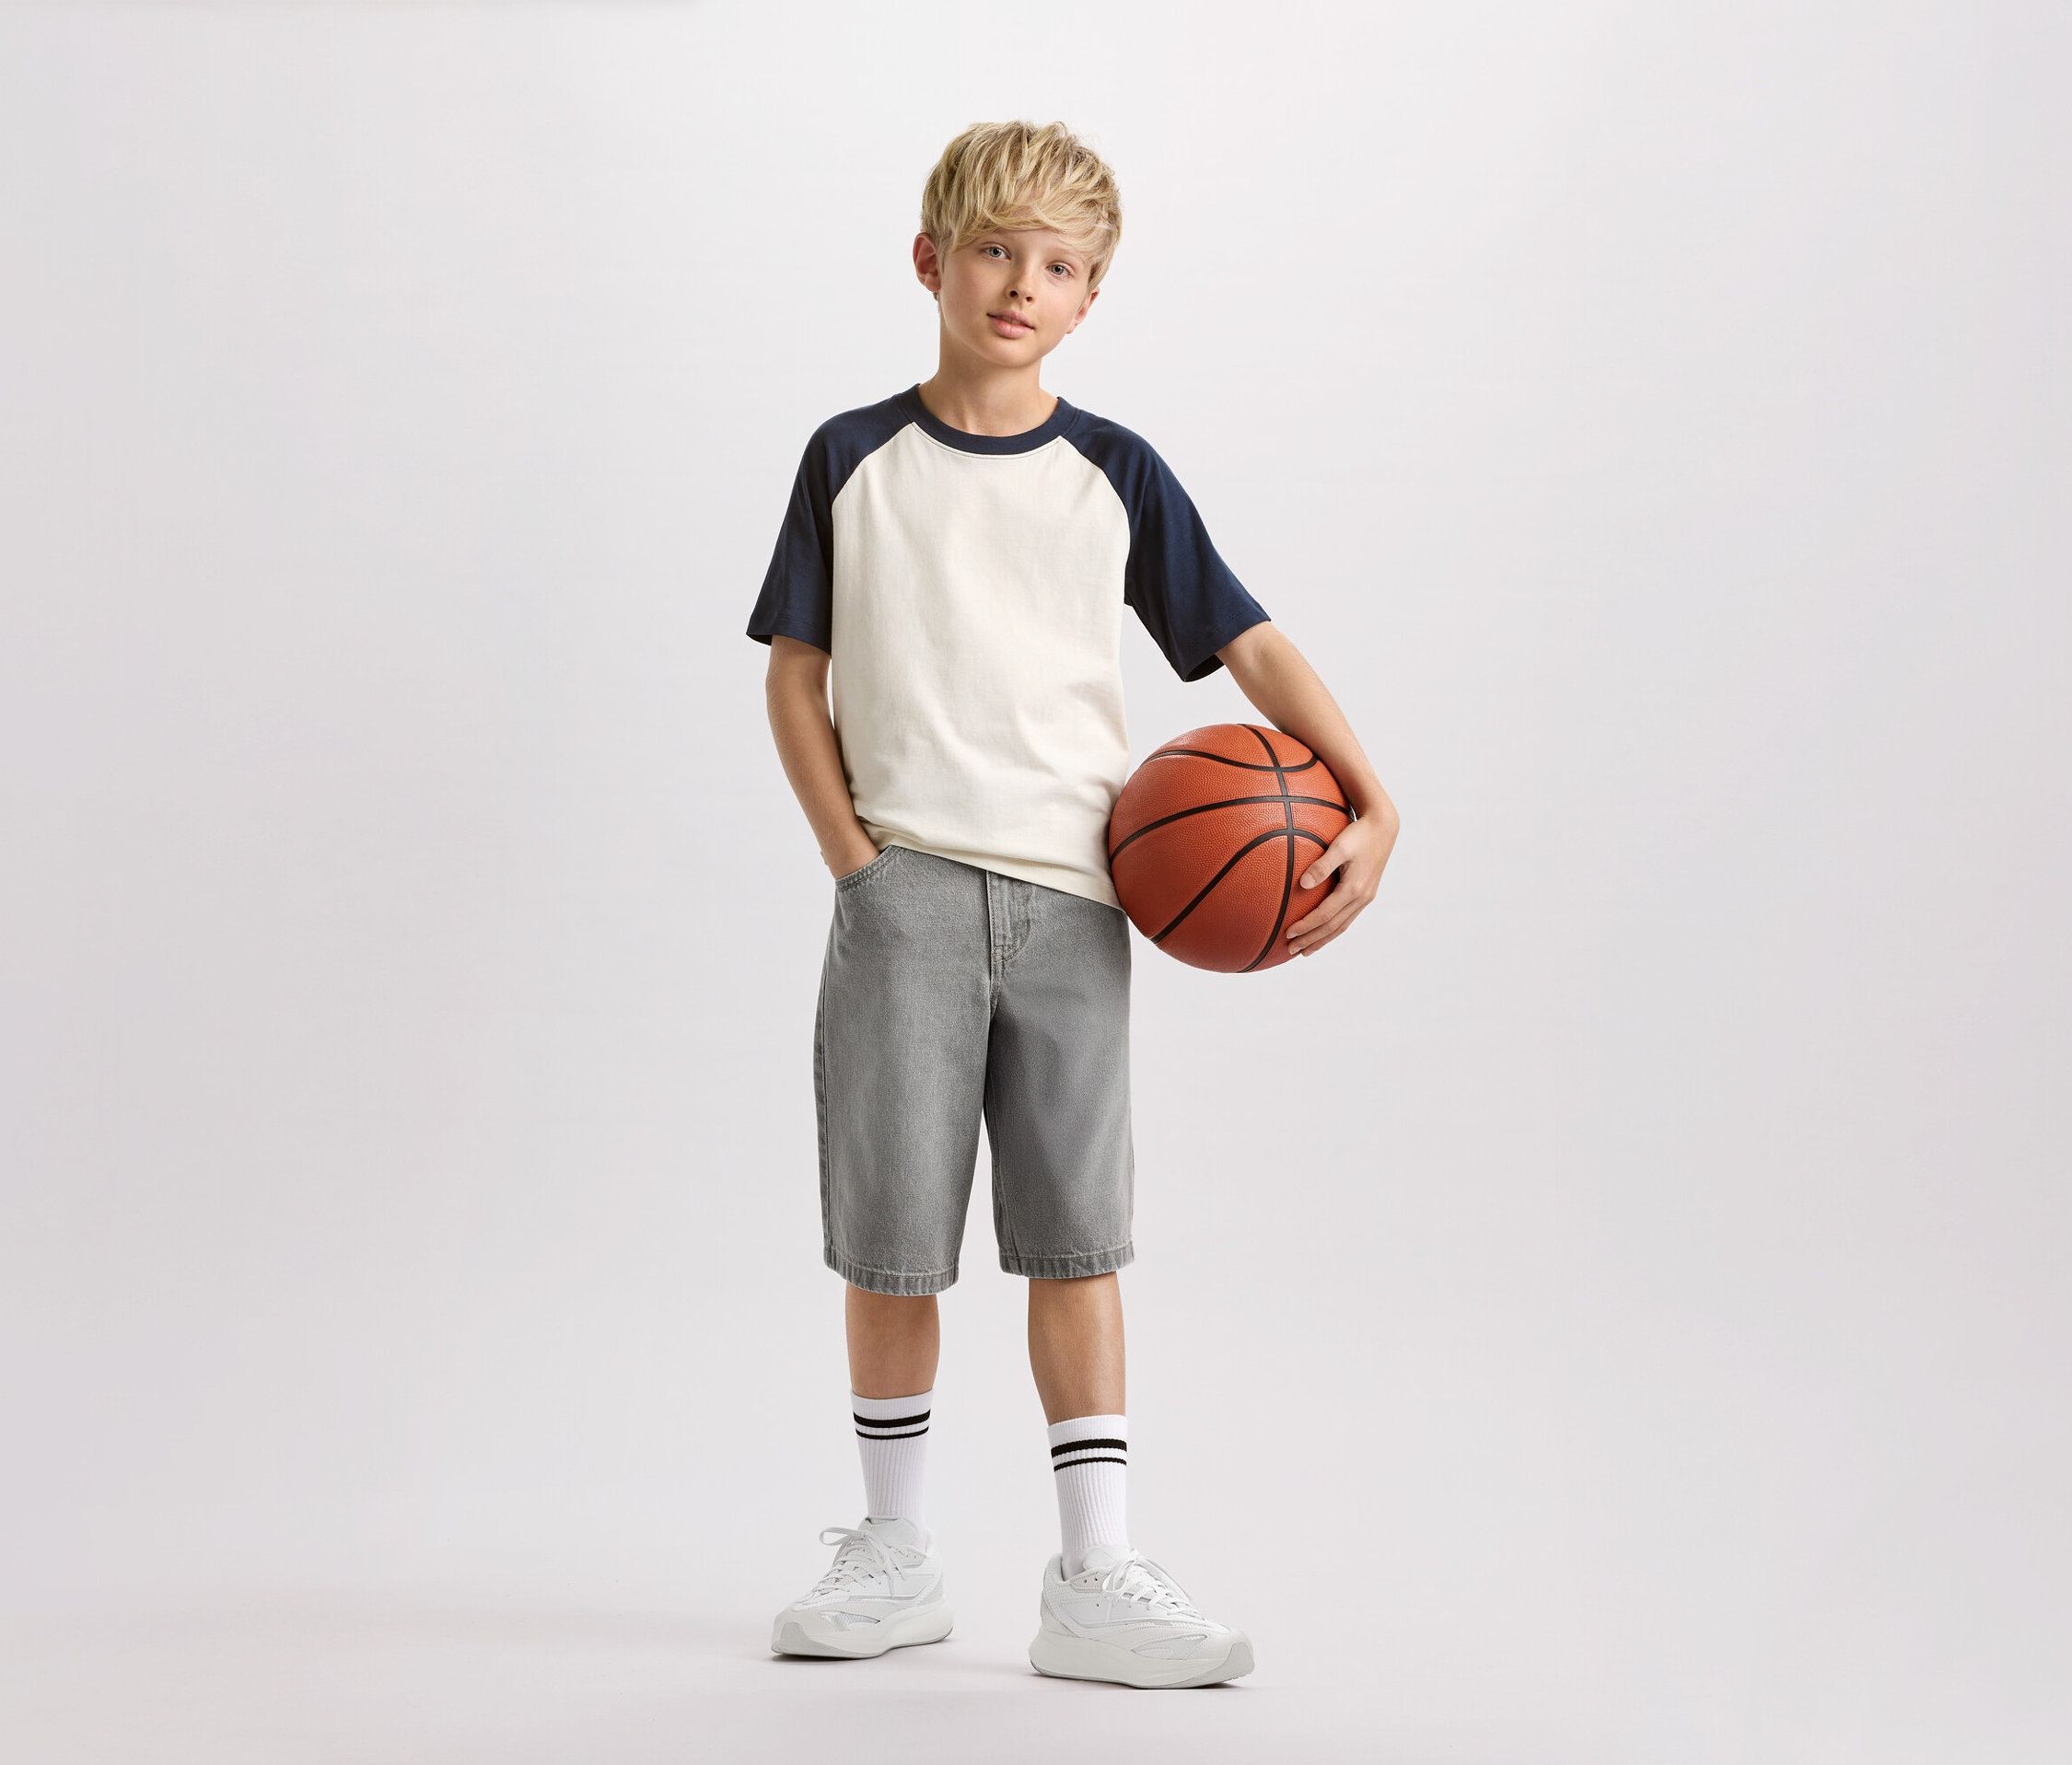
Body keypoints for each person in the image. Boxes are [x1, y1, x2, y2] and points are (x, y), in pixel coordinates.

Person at [747, 121, 1399, 1689]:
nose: (1019, 285)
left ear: (1090, 295)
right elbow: (795, 672)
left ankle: (1094, 1572)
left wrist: (1373, 795)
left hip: (1075, 906)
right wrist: (854, 856)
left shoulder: (1115, 472)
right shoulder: (851, 457)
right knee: (892, 1245)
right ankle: (892, 1550)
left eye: (1056, 266)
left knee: (1074, 1240)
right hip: (902, 892)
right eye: (992, 252)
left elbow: (1246, 645)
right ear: (930, 262)